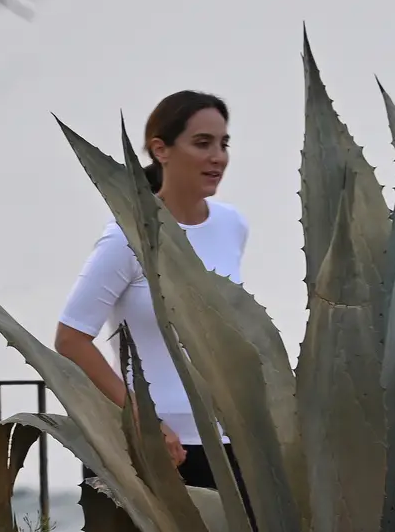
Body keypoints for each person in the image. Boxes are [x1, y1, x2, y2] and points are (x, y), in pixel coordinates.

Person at [54, 90, 254, 522]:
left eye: (224, 143)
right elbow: (70, 338)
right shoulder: (125, 237)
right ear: (161, 150)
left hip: (229, 447)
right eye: (202, 143)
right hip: (153, 451)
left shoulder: (231, 225)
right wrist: (145, 424)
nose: (217, 156)